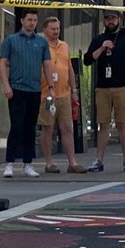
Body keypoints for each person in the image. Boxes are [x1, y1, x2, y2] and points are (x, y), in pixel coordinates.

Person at [83, 10, 125, 172]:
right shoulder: (99, 39)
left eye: (113, 18)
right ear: (104, 21)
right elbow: (87, 60)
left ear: (119, 20)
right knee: (103, 124)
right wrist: (102, 48)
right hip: (103, 87)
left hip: (123, 87)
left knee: (123, 124)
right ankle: (99, 160)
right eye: (107, 18)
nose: (110, 21)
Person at [0, 9, 53, 178]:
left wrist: (51, 87)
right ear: (22, 21)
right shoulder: (11, 40)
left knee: (30, 127)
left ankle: (28, 164)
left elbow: (47, 65)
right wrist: (6, 85)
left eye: (35, 20)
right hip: (16, 89)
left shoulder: (42, 43)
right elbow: (2, 63)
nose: (32, 23)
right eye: (29, 19)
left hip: (34, 89)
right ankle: (9, 163)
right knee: (16, 126)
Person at [36, 16, 87, 174]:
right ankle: (49, 163)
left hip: (64, 93)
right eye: (52, 29)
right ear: (45, 30)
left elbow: (70, 68)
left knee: (67, 128)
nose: (56, 32)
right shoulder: (40, 45)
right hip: (47, 94)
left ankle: (72, 162)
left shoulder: (64, 46)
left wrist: (74, 90)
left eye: (57, 28)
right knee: (48, 128)